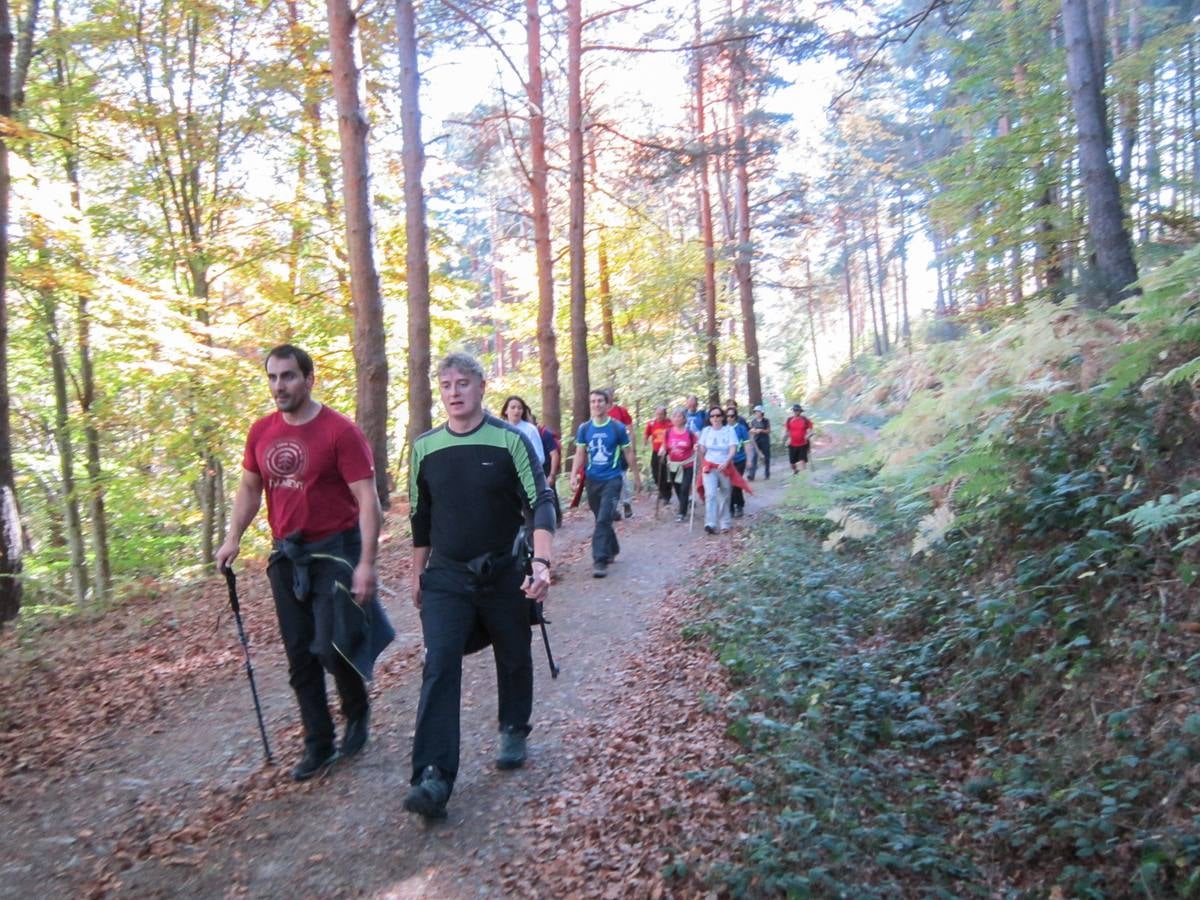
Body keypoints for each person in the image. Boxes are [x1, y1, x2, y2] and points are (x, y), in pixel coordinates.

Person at [216, 344, 385, 782]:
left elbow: (368, 501)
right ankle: (319, 742)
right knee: (299, 655)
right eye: (272, 377)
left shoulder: (339, 432)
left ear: (309, 379)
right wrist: (233, 536)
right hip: (288, 554)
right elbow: (251, 489)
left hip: (337, 549)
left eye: (288, 376)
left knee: (331, 646)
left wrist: (367, 562)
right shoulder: (261, 432)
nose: (279, 386)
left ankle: (357, 710)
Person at [404, 353, 555, 821]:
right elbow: (419, 516)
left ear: (481, 386)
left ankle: (513, 725)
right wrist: (417, 571)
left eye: (463, 383)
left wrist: (544, 562)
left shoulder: (509, 441)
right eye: (446, 383)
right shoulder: (424, 448)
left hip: (505, 570)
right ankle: (432, 775)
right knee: (440, 664)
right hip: (446, 577)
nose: (454, 391)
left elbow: (541, 502)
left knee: (513, 652)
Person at [571, 390, 640, 578]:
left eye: (600, 401)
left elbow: (628, 453)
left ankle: (599, 560)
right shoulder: (584, 429)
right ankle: (613, 547)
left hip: (612, 479)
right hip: (592, 480)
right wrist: (573, 475)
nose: (596, 404)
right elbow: (580, 453)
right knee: (601, 519)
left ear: (607, 404)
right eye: (593, 401)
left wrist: (636, 476)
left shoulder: (617, 428)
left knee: (603, 518)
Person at [697, 405, 738, 534]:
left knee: (725, 494)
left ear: (722, 417)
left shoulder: (729, 430)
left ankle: (725, 523)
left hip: (724, 466)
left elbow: (733, 448)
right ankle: (710, 523)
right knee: (711, 494)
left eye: (718, 415)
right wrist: (698, 448)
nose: (715, 418)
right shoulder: (706, 431)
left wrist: (727, 461)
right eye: (712, 416)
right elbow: (703, 449)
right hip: (709, 466)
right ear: (709, 418)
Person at [662, 408, 697, 521]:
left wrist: (697, 447)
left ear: (684, 419)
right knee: (677, 488)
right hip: (673, 465)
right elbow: (665, 446)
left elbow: (696, 444)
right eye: (675, 416)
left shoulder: (689, 433)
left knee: (685, 488)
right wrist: (662, 450)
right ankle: (684, 503)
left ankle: (681, 512)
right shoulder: (668, 433)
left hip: (687, 464)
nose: (677, 418)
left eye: (679, 416)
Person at [606, 388, 635, 519]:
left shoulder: (620, 411)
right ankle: (614, 509)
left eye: (609, 395)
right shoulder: (599, 412)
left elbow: (629, 428)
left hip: (621, 449)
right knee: (608, 480)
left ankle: (626, 503)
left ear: (612, 396)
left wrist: (631, 446)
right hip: (606, 451)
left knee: (622, 478)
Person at [501, 395, 546, 469]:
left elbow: (540, 458)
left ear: (523, 411)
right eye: (513, 407)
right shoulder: (500, 429)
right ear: (506, 411)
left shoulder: (530, 429)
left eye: (520, 408)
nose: (516, 411)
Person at [643, 405, 673, 510]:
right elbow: (646, 434)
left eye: (661, 414)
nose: (659, 416)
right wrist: (644, 444)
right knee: (655, 473)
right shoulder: (652, 423)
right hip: (655, 452)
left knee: (665, 474)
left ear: (665, 414)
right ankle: (661, 489)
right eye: (657, 414)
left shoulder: (670, 424)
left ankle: (667, 495)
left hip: (667, 452)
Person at [727, 405, 751, 518]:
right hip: (727, 461)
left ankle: (739, 505)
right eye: (727, 416)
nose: (729, 418)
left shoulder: (741, 428)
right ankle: (731, 507)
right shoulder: (723, 429)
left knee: (736, 483)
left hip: (740, 459)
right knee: (729, 484)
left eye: (732, 416)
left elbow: (747, 444)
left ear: (735, 417)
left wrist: (749, 460)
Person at [785, 403, 815, 473]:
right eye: (794, 410)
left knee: (802, 461)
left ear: (800, 411)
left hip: (803, 444)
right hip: (792, 444)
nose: (796, 412)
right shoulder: (789, 420)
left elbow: (811, 431)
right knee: (792, 464)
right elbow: (787, 431)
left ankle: (804, 476)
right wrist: (786, 439)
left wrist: (808, 435)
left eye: (797, 410)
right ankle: (796, 471)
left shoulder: (805, 419)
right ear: (793, 411)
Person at [747, 405, 771, 480]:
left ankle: (767, 473)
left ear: (762, 412)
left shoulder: (766, 420)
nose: (757, 413)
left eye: (758, 411)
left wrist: (761, 430)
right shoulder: (753, 421)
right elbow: (750, 430)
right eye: (756, 411)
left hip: (765, 440)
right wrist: (753, 431)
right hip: (756, 441)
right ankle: (751, 475)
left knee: (766, 457)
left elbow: (769, 430)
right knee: (754, 457)